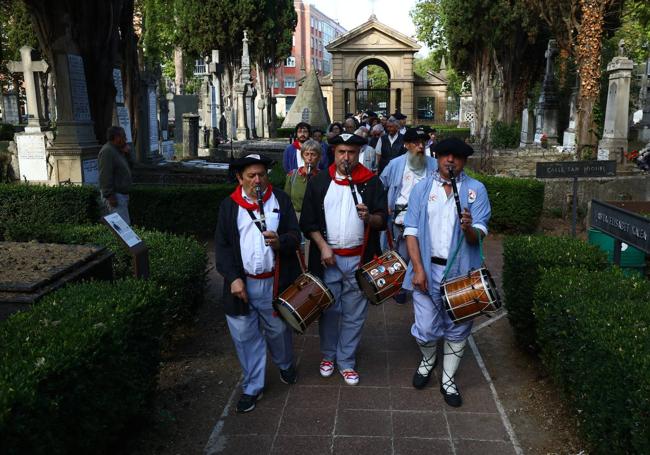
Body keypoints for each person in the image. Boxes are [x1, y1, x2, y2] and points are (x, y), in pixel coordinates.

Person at [402, 137, 491, 408]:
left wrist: (468, 229)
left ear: (463, 162)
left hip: (462, 273)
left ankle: (449, 379)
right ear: (437, 157)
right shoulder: (422, 188)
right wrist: (417, 269)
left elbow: (480, 234)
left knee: (459, 327)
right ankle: (429, 359)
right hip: (427, 269)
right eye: (445, 155)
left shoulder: (476, 190)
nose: (450, 160)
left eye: (456, 157)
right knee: (426, 328)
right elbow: (411, 231)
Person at [214, 154, 302, 413]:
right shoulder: (229, 206)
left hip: (274, 283)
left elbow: (296, 236)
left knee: (278, 331)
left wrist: (280, 242)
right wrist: (233, 279)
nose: (258, 180)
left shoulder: (281, 201)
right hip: (242, 285)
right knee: (245, 336)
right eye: (251, 176)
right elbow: (223, 247)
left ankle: (285, 364)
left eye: (261, 174)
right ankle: (253, 386)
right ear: (240, 178)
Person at [300, 133, 387, 386]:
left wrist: (370, 218)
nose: (346, 157)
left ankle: (346, 360)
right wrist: (323, 246)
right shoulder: (319, 182)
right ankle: (328, 355)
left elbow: (383, 220)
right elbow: (308, 222)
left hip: (360, 260)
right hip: (329, 259)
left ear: (359, 154)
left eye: (351, 152)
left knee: (354, 314)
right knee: (329, 310)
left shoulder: (371, 183)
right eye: (341, 152)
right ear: (333, 153)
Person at [379, 127, 438, 302]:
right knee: (401, 254)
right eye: (416, 143)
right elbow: (381, 185)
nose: (420, 146)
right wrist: (385, 207)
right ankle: (399, 287)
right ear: (406, 145)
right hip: (401, 217)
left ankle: (426, 283)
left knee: (426, 251)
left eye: (423, 143)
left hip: (427, 217)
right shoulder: (395, 164)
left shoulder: (434, 164)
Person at [98, 126, 132, 224]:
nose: (125, 139)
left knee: (123, 226)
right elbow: (105, 174)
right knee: (123, 227)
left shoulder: (118, 150)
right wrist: (109, 195)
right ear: (117, 137)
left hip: (122, 194)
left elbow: (132, 165)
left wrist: (128, 153)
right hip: (115, 196)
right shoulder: (107, 151)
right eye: (123, 137)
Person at [284, 139, 322, 218]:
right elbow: (286, 200)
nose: (309, 158)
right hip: (296, 218)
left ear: (319, 157)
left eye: (313, 154)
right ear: (302, 155)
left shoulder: (322, 176)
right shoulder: (293, 175)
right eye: (306, 154)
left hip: (316, 218)